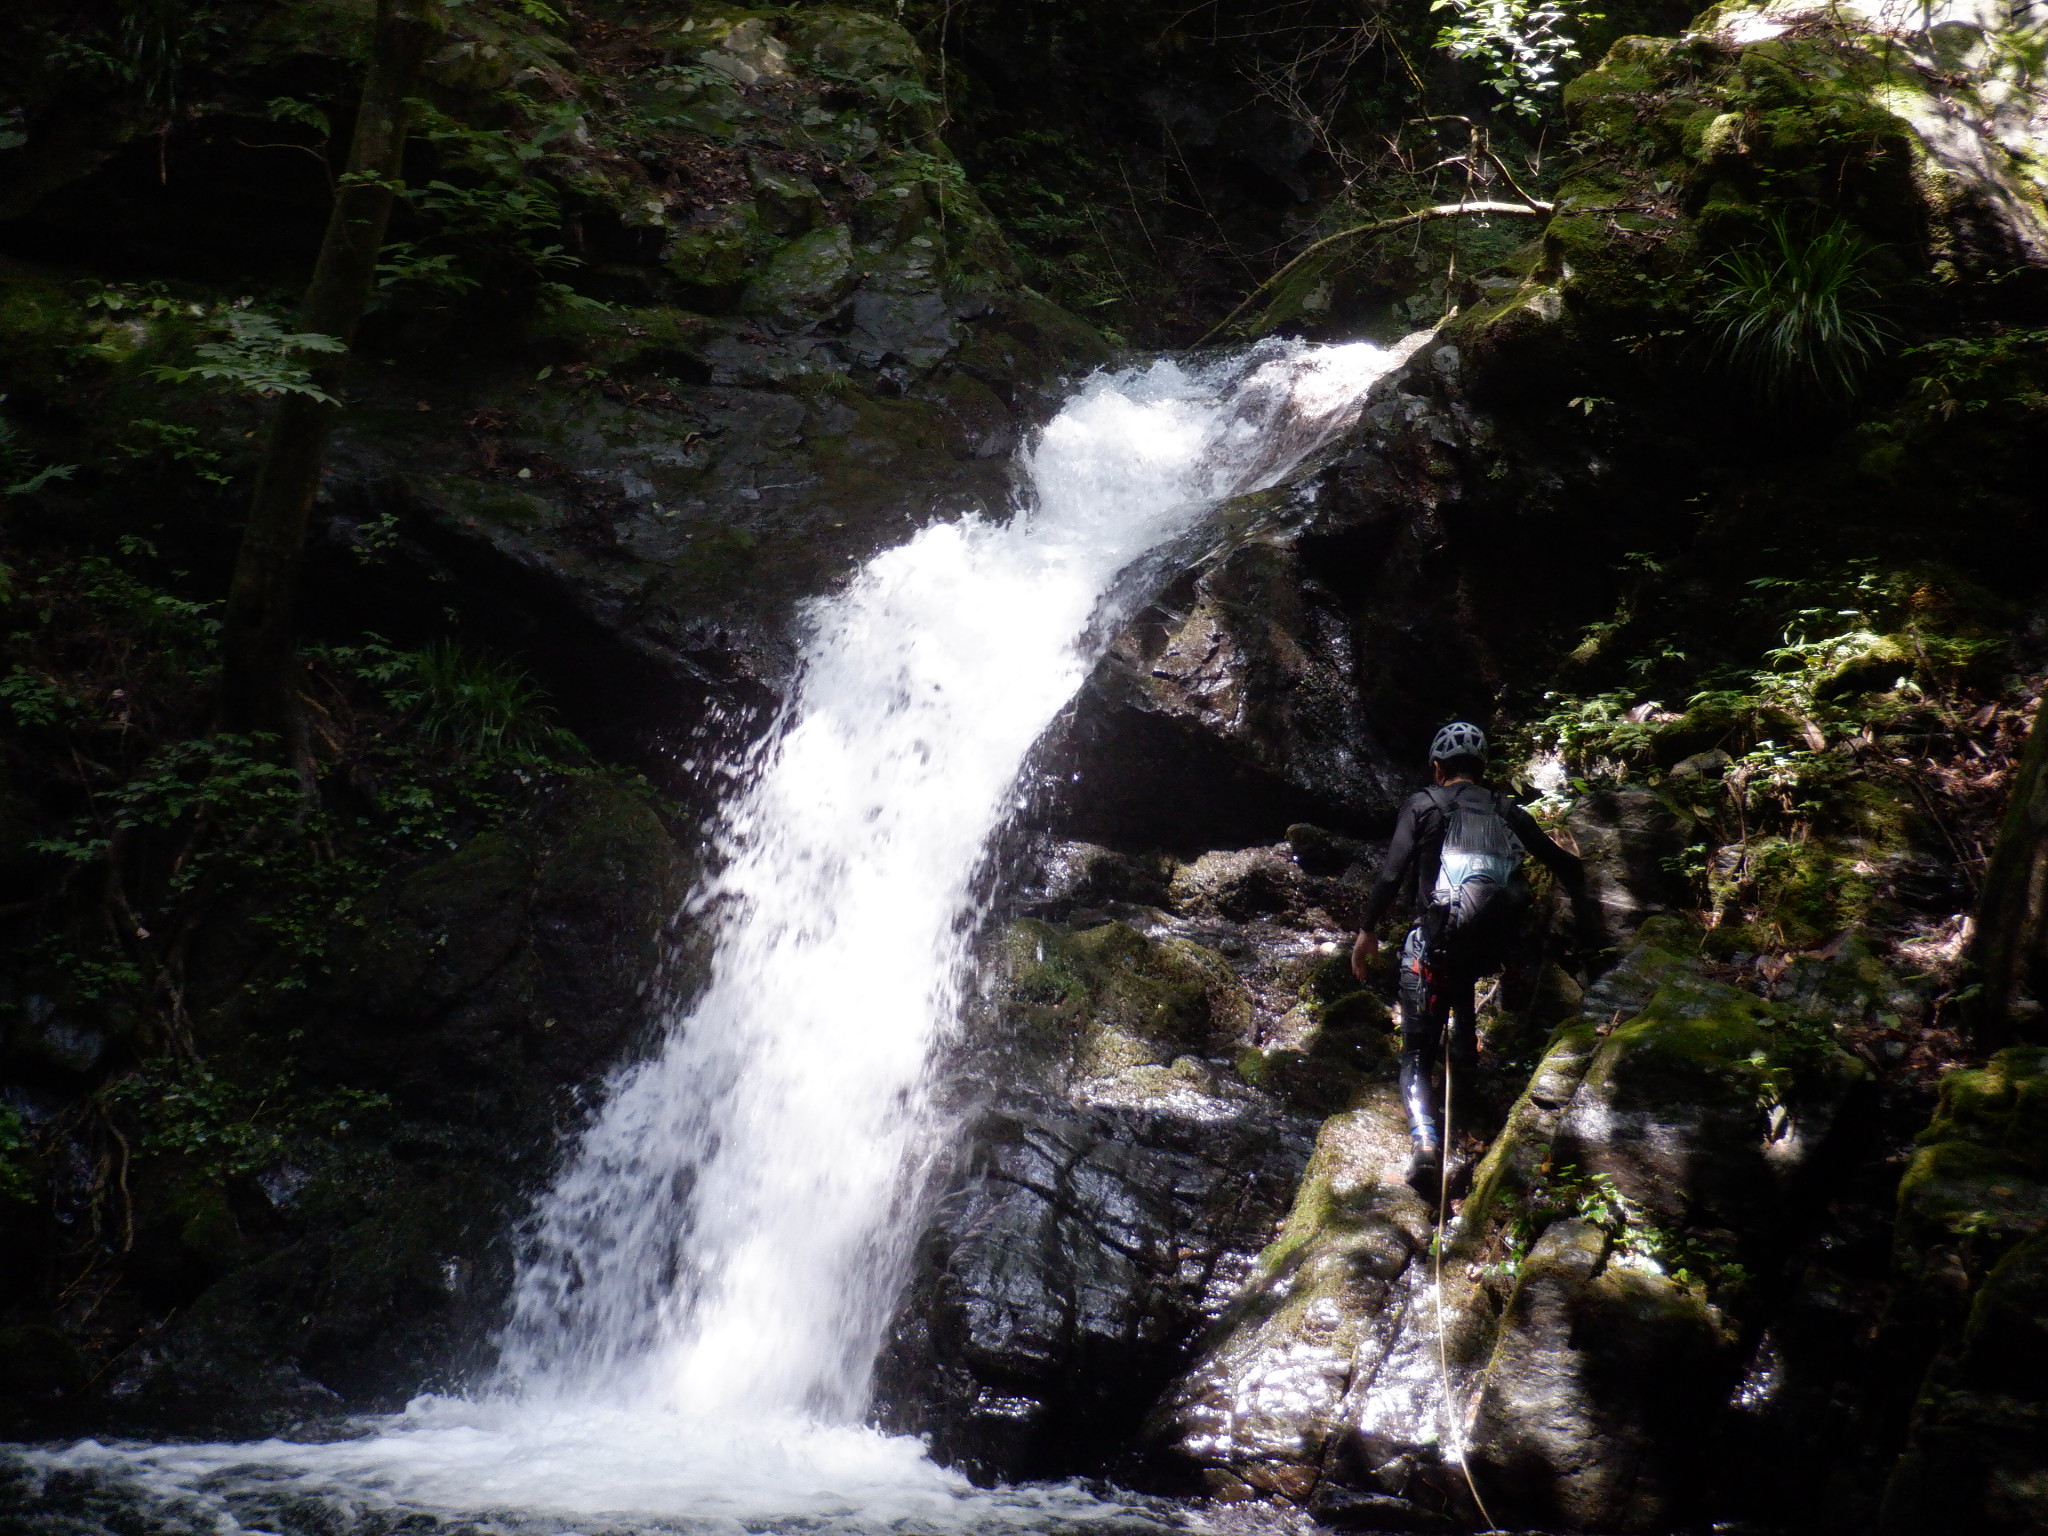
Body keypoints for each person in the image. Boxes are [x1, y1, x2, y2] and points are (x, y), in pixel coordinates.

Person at [1350, 721, 1592, 1189]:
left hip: (1433, 947)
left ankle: (1424, 1143)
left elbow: (1390, 874)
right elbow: (1566, 868)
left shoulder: (1423, 804)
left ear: (1437, 768)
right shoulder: (1509, 812)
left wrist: (1366, 932)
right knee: (1464, 954)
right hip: (1490, 952)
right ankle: (1464, 1048)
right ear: (1483, 770)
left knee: (1418, 1050)